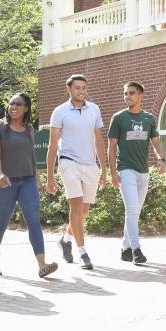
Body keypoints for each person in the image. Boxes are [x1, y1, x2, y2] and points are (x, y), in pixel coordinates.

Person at [0, 93, 58, 279]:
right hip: (6, 182)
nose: (14, 107)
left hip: (27, 181)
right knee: (2, 222)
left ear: (26, 108)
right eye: (11, 103)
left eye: (19, 104)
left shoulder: (29, 129)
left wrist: (37, 179)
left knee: (33, 221)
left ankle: (42, 265)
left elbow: (31, 156)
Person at [46, 74, 107, 270]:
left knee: (84, 210)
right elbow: (53, 144)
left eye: (84, 88)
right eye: (77, 88)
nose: (81, 91)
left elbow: (99, 141)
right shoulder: (60, 112)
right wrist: (50, 175)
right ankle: (83, 252)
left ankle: (66, 239)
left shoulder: (94, 110)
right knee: (75, 205)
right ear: (69, 89)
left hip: (90, 164)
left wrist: (104, 169)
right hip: (68, 161)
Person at [108, 81, 166, 264]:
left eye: (132, 93)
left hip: (143, 171)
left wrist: (160, 158)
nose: (128, 97)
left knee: (135, 212)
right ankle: (136, 250)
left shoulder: (148, 118)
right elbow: (111, 148)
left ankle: (125, 248)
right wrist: (112, 172)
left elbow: (156, 142)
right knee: (131, 209)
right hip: (125, 170)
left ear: (141, 96)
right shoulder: (118, 118)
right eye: (125, 93)